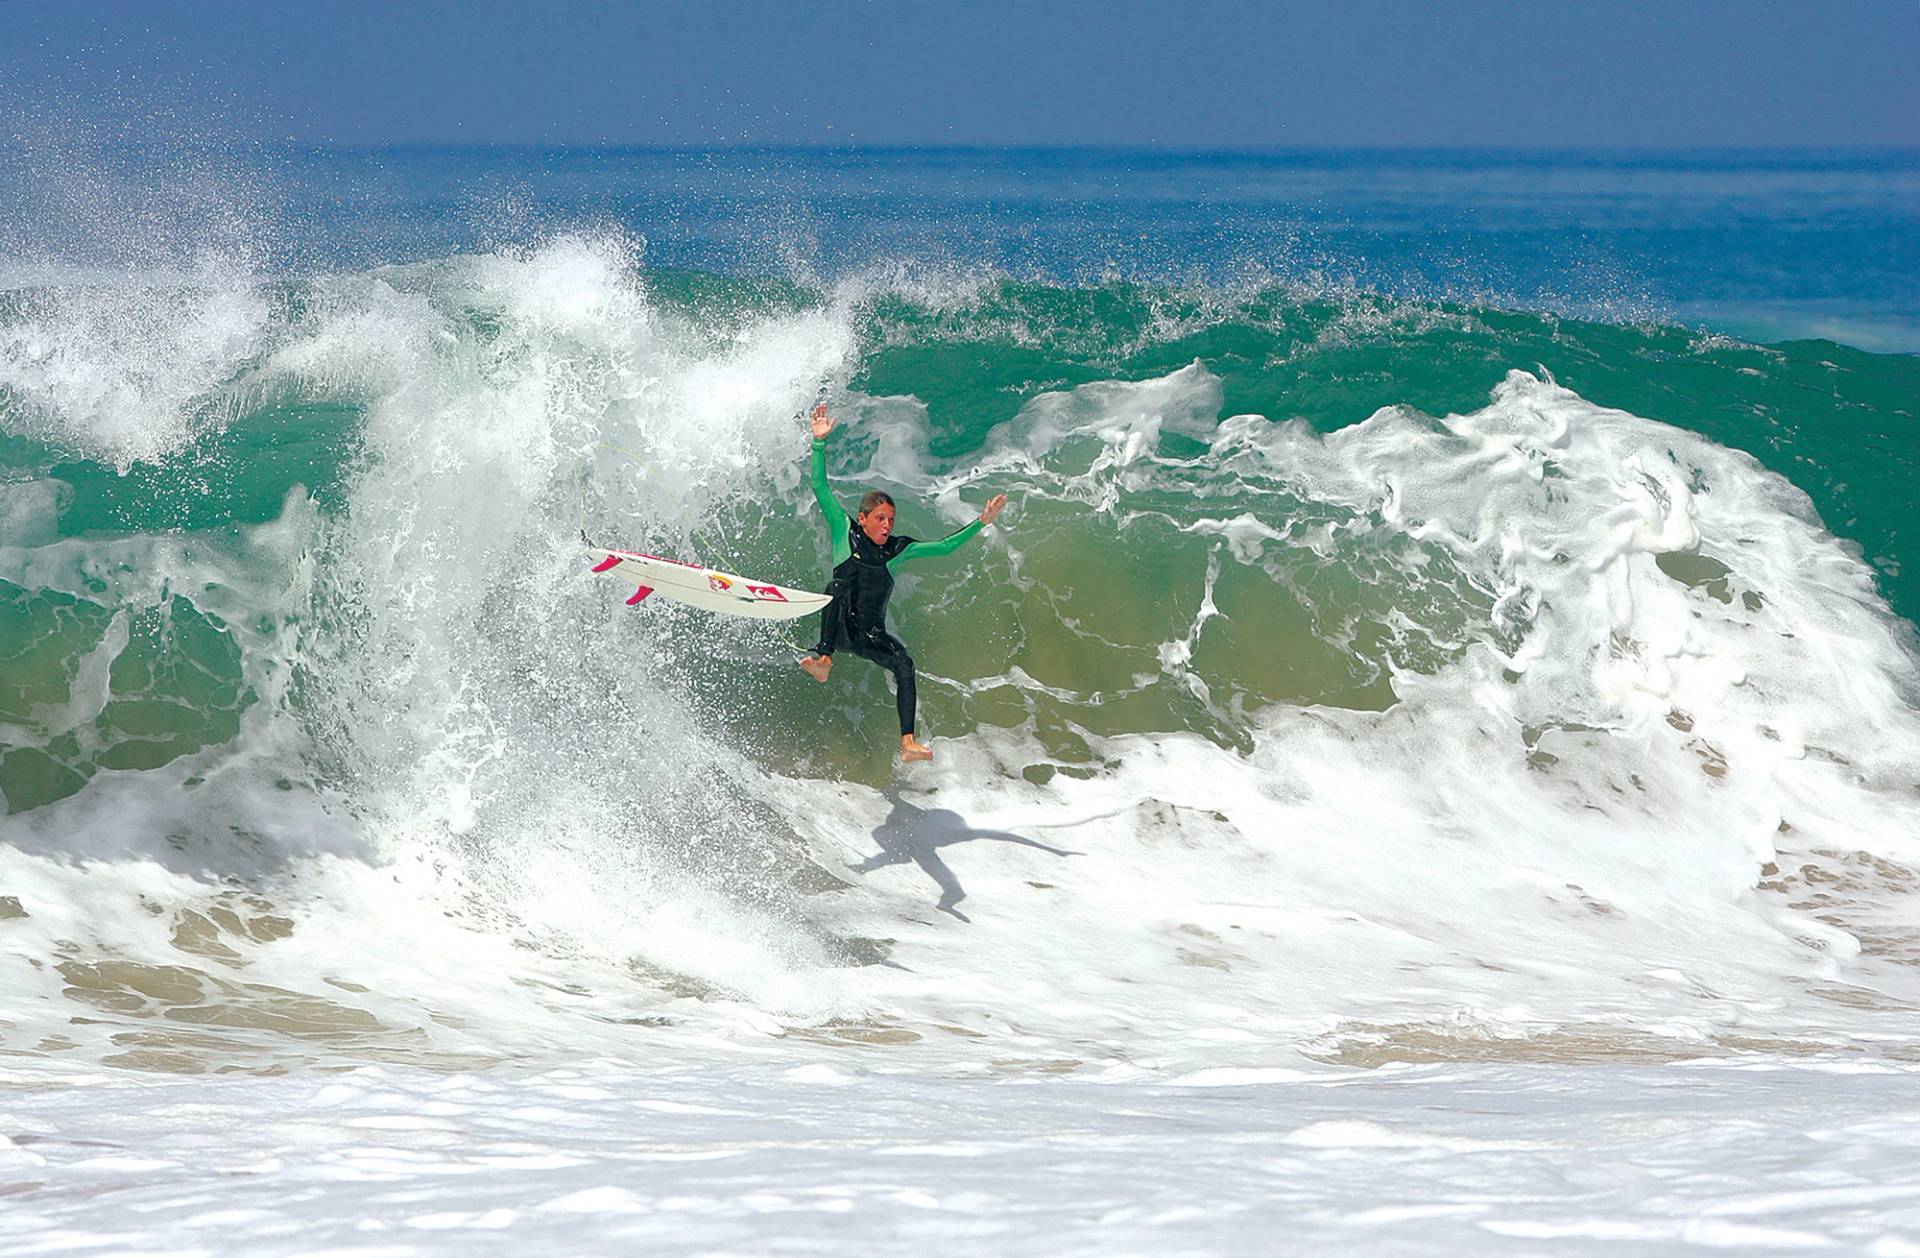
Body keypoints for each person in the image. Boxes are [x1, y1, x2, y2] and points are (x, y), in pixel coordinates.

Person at [799, 402, 1007, 762]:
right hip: (839, 631)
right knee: (836, 588)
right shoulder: (843, 530)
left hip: (869, 636)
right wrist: (819, 443)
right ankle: (823, 660)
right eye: (880, 518)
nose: (887, 525)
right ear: (863, 518)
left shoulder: (898, 550)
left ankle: (908, 742)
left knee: (904, 663)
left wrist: (981, 522)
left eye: (891, 519)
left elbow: (942, 548)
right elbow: (820, 486)